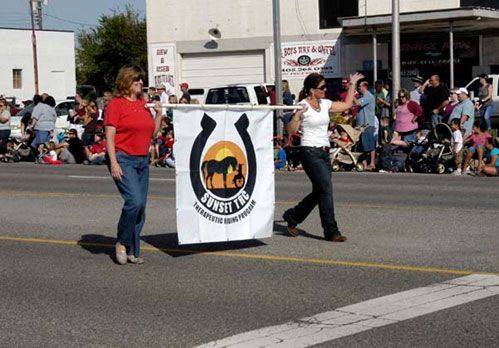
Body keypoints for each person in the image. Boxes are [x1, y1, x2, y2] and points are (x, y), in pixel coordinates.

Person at [283, 71, 364, 242]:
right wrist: (297, 116)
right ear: (311, 90)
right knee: (326, 189)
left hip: (324, 152)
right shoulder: (301, 105)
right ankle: (331, 231)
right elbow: (290, 131)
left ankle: (292, 216)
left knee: (320, 190)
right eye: (322, 88)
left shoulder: (325, 103)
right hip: (309, 151)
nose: (325, 90)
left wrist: (352, 85)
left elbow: (347, 105)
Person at [104, 65, 163, 265]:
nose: (140, 83)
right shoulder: (116, 104)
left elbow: (152, 133)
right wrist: (113, 162)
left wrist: (158, 114)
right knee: (134, 201)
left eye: (141, 80)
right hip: (124, 158)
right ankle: (121, 241)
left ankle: (132, 250)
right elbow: (110, 135)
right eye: (136, 80)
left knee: (141, 208)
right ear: (126, 82)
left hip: (142, 160)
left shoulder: (143, 104)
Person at [355, 81, 377, 170]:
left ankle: (372, 163)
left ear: (364, 86)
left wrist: (352, 94)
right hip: (361, 125)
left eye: (359, 86)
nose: (358, 88)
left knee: (370, 144)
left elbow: (357, 103)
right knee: (362, 146)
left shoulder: (369, 96)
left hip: (367, 124)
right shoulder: (362, 96)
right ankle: (364, 165)